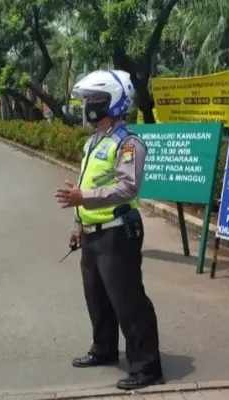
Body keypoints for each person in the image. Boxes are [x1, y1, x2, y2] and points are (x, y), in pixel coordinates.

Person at [54, 70, 164, 390]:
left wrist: (83, 198)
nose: (89, 105)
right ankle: (104, 349)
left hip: (117, 231)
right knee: (97, 297)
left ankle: (147, 366)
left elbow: (128, 188)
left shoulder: (128, 143)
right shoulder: (94, 141)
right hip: (92, 231)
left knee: (127, 300)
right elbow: (85, 183)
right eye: (88, 99)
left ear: (115, 101)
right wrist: (78, 223)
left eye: (97, 100)